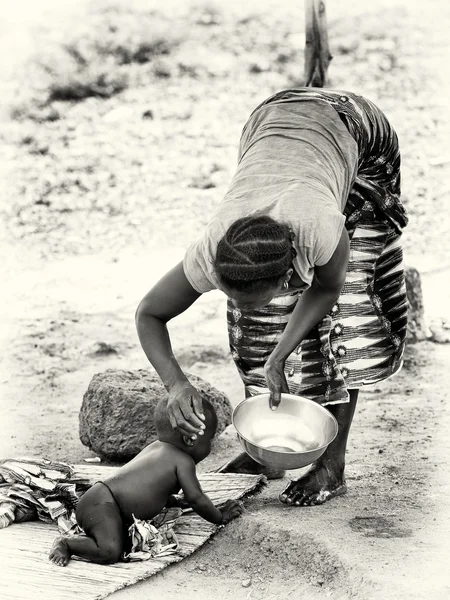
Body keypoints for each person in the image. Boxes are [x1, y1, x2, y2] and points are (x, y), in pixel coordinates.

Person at [135, 88, 408, 507]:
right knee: (256, 329)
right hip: (272, 117)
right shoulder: (213, 249)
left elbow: (328, 287)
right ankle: (265, 456)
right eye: (231, 296)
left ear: (287, 277)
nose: (239, 308)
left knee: (349, 314)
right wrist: (175, 383)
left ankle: (332, 464)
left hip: (356, 130)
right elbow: (149, 313)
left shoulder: (318, 226)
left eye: (256, 297)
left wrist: (281, 354)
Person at [49, 397, 242, 566]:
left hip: (101, 500)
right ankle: (66, 543)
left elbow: (146, 487)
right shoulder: (183, 461)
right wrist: (219, 516)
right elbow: (196, 498)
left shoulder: (157, 447)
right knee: (110, 551)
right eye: (209, 440)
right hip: (104, 506)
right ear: (190, 440)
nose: (210, 446)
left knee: (122, 541)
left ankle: (97, 535)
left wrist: (172, 500)